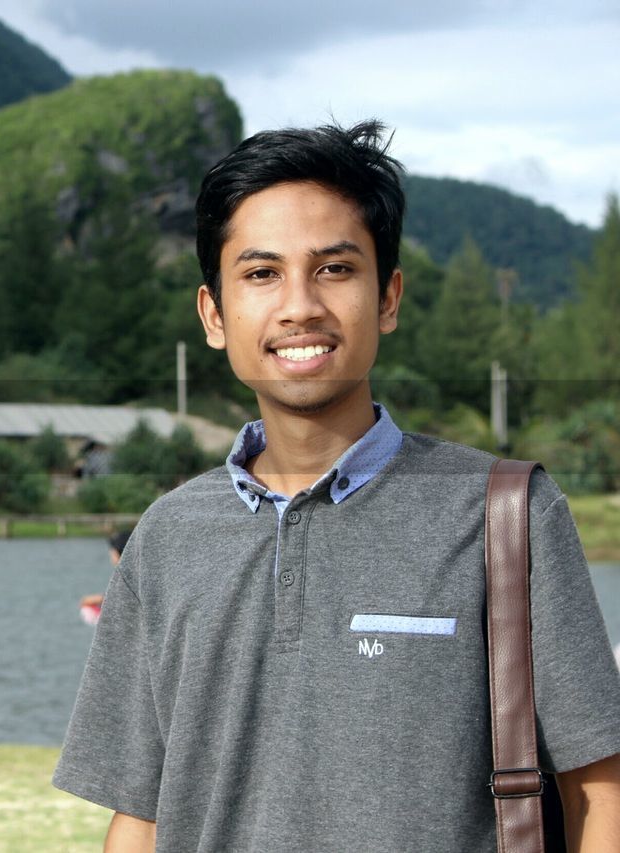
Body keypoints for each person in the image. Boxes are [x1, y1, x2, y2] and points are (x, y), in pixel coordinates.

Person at [52, 121, 620, 851]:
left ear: (388, 297)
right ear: (215, 315)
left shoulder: (506, 513)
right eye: (261, 274)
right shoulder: (166, 535)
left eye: (334, 269)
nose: (299, 307)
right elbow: (141, 815)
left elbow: (600, 793)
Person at [79, 528, 132, 625]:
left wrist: (99, 599)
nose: (110, 555)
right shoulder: (135, 570)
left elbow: (123, 597)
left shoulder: (126, 574)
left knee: (86, 608)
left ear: (117, 553)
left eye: (112, 552)